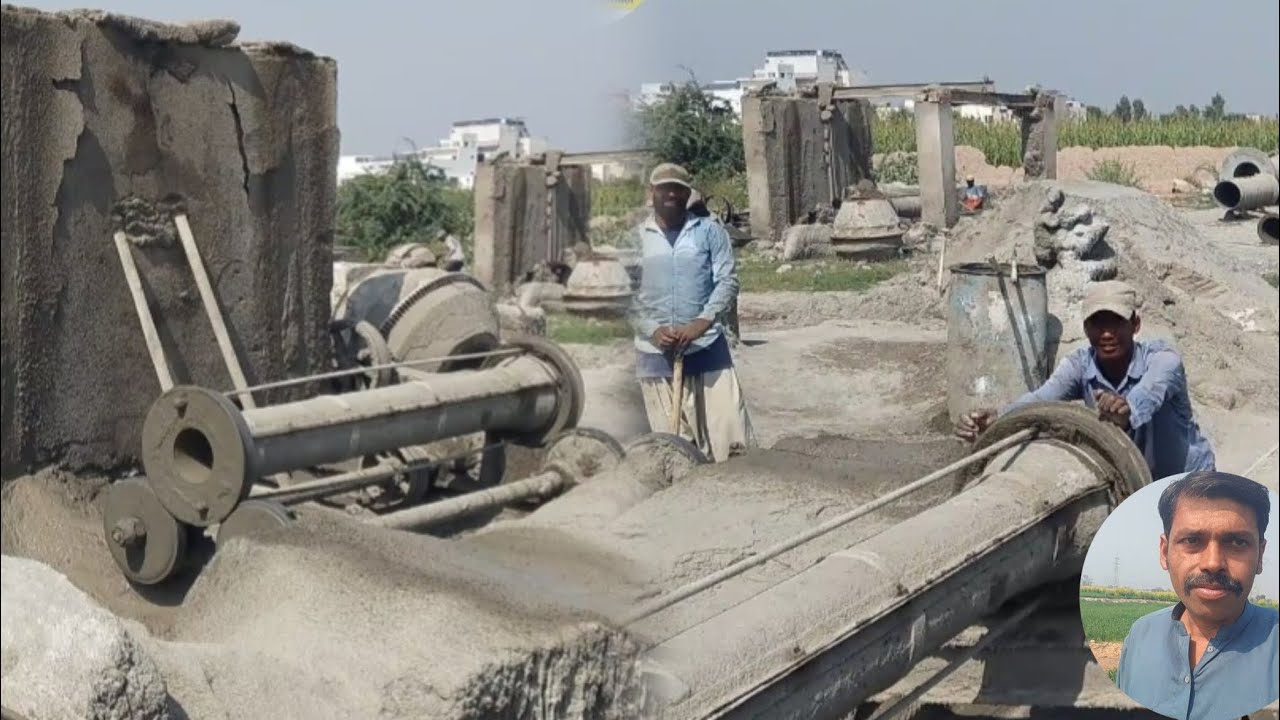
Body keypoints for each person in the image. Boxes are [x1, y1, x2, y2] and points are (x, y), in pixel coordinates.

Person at [955, 280, 1215, 479]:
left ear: (1135, 325)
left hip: (1189, 482)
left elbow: (1148, 395)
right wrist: (998, 420)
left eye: (1116, 323)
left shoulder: (1162, 360)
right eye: (1097, 323)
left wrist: (1126, 411)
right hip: (1138, 481)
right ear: (1085, 328)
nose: (1106, 334)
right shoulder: (1079, 364)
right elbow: (1041, 400)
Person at [1114, 471, 1278, 720]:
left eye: (1237, 543)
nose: (1213, 563)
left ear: (1259, 555)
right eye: (1192, 540)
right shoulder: (1140, 635)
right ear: (1164, 551)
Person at [628, 162, 755, 462]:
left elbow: (727, 281)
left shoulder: (710, 232)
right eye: (664, 188)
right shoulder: (635, 239)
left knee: (733, 443)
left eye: (678, 188)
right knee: (675, 453)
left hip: (707, 347)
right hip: (655, 355)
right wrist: (652, 329)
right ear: (652, 193)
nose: (671, 193)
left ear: (687, 194)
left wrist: (702, 321)